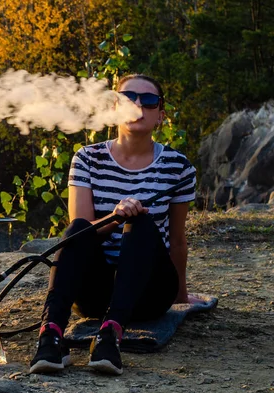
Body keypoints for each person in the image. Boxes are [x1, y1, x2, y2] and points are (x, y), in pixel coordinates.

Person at [29, 74, 197, 375]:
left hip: (148, 294)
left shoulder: (179, 167)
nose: (138, 106)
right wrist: (115, 216)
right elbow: (80, 233)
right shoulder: (87, 158)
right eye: (128, 98)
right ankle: (51, 333)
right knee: (79, 229)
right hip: (94, 292)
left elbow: (177, 240)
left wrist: (181, 295)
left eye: (148, 101)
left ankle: (110, 335)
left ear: (161, 114)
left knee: (142, 223)